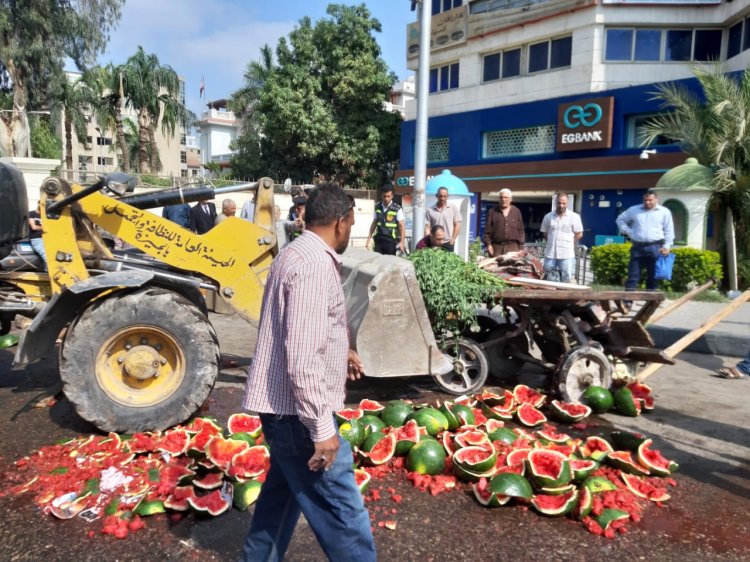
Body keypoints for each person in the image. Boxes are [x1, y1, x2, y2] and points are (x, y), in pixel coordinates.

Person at [241, 183, 377, 562]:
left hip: (284, 414)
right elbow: (302, 355)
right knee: (344, 517)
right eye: (351, 223)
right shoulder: (315, 265)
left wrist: (342, 349)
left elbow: (307, 327)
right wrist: (321, 428)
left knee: (278, 505)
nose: (351, 230)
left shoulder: (295, 252)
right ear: (340, 222)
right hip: (299, 419)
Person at [616, 190, 674, 291]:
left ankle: (650, 302)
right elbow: (620, 220)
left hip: (656, 247)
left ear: (656, 199)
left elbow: (669, 230)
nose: (647, 202)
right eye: (645, 200)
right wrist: (629, 232)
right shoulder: (634, 210)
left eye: (650, 200)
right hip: (637, 247)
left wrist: (667, 246)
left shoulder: (664, 212)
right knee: (633, 275)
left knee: (653, 276)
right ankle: (627, 302)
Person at [540, 193, 583, 283]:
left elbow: (579, 233)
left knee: (566, 279)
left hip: (566, 254)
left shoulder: (574, 217)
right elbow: (545, 233)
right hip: (550, 254)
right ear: (556, 202)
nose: (561, 205)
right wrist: (551, 242)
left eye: (564, 203)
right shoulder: (548, 217)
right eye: (559, 203)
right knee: (547, 278)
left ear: (567, 203)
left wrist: (571, 241)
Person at [483, 188, 525, 257]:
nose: (503, 199)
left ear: (510, 199)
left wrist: (521, 247)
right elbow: (487, 230)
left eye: (506, 197)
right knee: (495, 267)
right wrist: (488, 244)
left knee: (512, 267)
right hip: (496, 247)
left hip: (513, 247)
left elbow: (521, 230)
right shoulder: (492, 212)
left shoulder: (516, 212)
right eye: (501, 197)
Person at [366, 185, 405, 255]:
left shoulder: (397, 209)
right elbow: (374, 223)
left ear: (392, 196)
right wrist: (369, 238)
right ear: (381, 195)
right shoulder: (377, 207)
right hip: (379, 240)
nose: (386, 198)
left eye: (388, 196)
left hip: (390, 241)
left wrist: (402, 242)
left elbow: (401, 226)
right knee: (378, 262)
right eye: (384, 196)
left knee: (389, 263)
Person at [425, 186, 461, 252]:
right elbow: (427, 227)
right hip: (435, 244)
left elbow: (457, 224)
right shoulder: (430, 210)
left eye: (444, 196)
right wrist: (429, 240)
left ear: (448, 196)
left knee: (448, 262)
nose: (442, 198)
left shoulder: (453, 208)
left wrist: (452, 240)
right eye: (440, 196)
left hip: (448, 242)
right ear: (436, 196)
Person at [28, 204, 47, 270]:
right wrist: (44, 228)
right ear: (39, 204)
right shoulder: (31, 214)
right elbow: (34, 227)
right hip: (37, 239)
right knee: (47, 257)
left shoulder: (45, 215)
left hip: (46, 238)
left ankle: (46, 272)